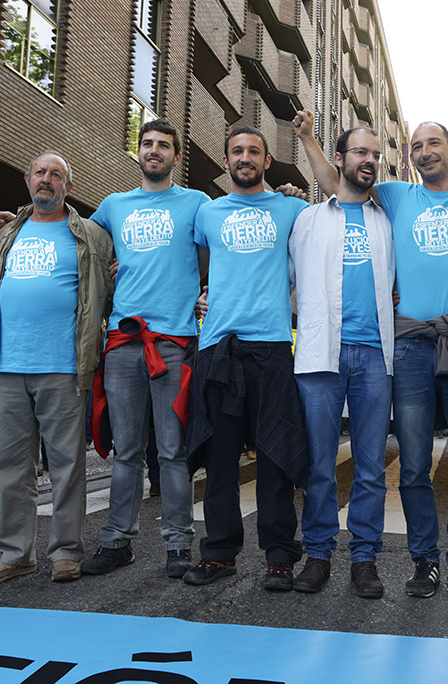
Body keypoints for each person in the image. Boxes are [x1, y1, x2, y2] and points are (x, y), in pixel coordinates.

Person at [293, 110, 448, 600]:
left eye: (434, 143)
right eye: (415, 146)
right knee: (346, 463)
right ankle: (337, 555)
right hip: (358, 349)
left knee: (408, 465)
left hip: (411, 350)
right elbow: (335, 181)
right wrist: (305, 139)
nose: (424, 152)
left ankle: (401, 560)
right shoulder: (354, 208)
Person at [0, 151, 112, 585]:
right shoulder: (6, 233)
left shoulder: (91, 234)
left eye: (57, 175)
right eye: (40, 172)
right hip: (8, 365)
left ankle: (66, 552)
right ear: (26, 180)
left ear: (68, 187)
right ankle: (16, 553)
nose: (47, 180)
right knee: (10, 466)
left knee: (66, 464)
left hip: (65, 366)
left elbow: (110, 284)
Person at [183, 126, 309, 591]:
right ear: (225, 159)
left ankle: (279, 555)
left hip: (272, 345)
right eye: (237, 151)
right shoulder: (207, 214)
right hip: (218, 346)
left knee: (275, 457)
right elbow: (193, 269)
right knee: (219, 458)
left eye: (253, 151)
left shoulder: (293, 209)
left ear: (267, 161)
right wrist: (200, 297)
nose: (245, 157)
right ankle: (219, 553)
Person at [82, 120, 208, 580]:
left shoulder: (197, 203)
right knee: (127, 451)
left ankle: (178, 545)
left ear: (176, 156)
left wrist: (205, 288)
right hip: (121, 343)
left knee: (173, 452)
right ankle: (117, 542)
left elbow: (220, 250)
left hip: (173, 343)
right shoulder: (114, 206)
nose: (154, 151)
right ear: (138, 152)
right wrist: (8, 220)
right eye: (147, 144)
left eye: (163, 146)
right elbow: (76, 243)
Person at [289, 127, 395, 598]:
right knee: (319, 463)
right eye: (360, 152)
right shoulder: (307, 219)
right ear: (339, 159)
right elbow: (277, 276)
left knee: (371, 466)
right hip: (319, 355)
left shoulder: (389, 218)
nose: (369, 159)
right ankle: (317, 554)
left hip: (375, 355)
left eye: (375, 154)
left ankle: (365, 558)